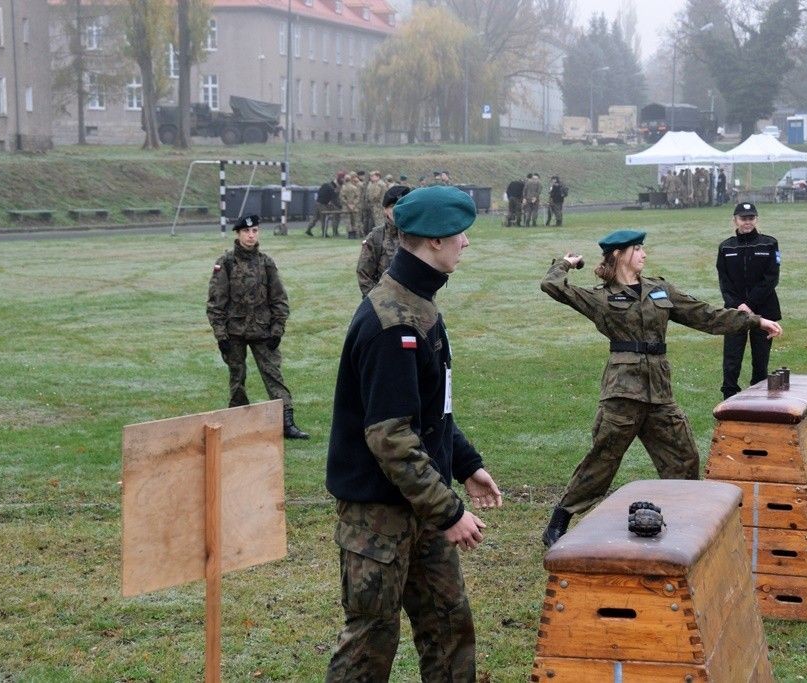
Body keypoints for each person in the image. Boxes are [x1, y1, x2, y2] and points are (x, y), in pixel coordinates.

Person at [325, 185, 502, 681]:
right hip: (379, 515)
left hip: (421, 507)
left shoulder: (419, 306)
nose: (466, 243)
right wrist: (449, 511)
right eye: (459, 234)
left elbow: (430, 410)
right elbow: (391, 437)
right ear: (433, 242)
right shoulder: (392, 323)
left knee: (449, 626)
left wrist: (466, 464)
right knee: (370, 642)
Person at [538, 230, 782, 546]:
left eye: (642, 248)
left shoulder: (660, 290)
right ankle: (559, 521)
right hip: (622, 393)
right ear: (618, 255)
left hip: (659, 393)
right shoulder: (601, 297)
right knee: (602, 459)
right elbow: (552, 285)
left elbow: (705, 316)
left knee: (684, 456)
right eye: (637, 249)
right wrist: (566, 263)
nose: (643, 254)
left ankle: (681, 520)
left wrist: (755, 321)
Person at [206, 214, 310, 440]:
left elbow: (279, 299)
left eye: (254, 231)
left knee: (274, 375)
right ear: (238, 234)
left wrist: (277, 330)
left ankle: (286, 422)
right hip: (234, 333)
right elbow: (216, 302)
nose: (251, 236)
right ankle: (238, 422)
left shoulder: (266, 263)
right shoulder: (226, 263)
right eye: (246, 232)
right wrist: (221, 335)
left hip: (263, 332)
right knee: (237, 378)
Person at [716, 202, 782, 399]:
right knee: (731, 360)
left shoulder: (769, 243)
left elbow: (771, 278)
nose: (747, 222)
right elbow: (724, 282)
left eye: (751, 218)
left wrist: (750, 304)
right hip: (735, 312)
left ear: (757, 219)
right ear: (734, 220)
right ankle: (728, 400)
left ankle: (759, 400)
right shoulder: (726, 247)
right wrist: (738, 305)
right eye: (743, 218)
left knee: (760, 360)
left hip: (764, 311)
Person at [356, 184, 410, 297]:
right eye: (393, 206)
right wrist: (375, 304)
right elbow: (364, 274)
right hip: (383, 303)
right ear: (385, 210)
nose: (397, 210)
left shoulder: (418, 235)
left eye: (402, 205)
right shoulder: (376, 237)